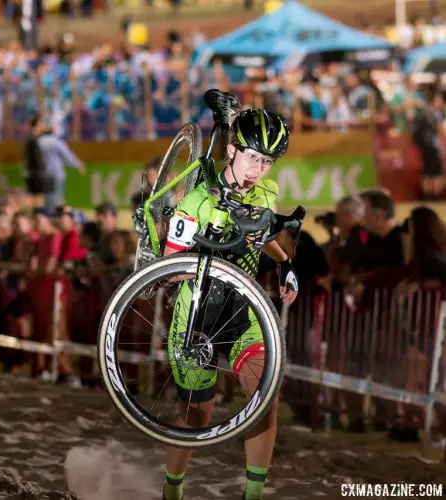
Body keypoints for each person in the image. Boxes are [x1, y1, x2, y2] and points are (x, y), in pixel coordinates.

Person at [160, 109, 299, 500]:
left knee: (265, 397)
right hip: (197, 314)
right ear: (232, 150)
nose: (259, 168)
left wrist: (283, 262)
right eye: (253, 157)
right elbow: (170, 271)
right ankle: (172, 489)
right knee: (196, 413)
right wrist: (212, 246)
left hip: (243, 309)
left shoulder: (265, 191)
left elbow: (261, 232)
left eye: (267, 161)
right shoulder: (198, 198)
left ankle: (252, 495)